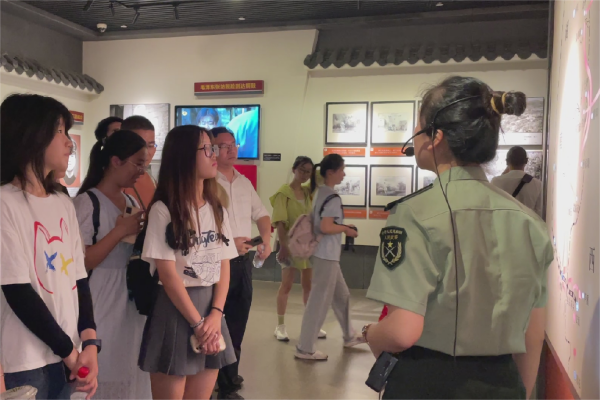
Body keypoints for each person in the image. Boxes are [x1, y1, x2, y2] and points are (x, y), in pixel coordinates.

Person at [364, 76, 552, 400]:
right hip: (503, 381)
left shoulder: (414, 214)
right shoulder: (531, 224)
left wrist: (371, 334)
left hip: (428, 383)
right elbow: (532, 335)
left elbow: (402, 331)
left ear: (435, 137)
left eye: (418, 128)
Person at [0, 94, 99, 399]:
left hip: (69, 355)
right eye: (59, 131)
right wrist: (70, 353)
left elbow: (79, 279)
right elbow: (17, 292)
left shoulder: (62, 202)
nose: (69, 143)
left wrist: (90, 343)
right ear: (31, 135)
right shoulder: (4, 203)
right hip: (26, 360)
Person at [138, 125, 237, 400]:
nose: (214, 154)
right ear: (184, 156)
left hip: (211, 309)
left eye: (213, 148)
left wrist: (215, 314)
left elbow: (224, 265)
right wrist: (198, 324)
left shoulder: (216, 208)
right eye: (207, 149)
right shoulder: (164, 210)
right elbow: (167, 274)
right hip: (176, 308)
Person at [74, 130, 151, 400]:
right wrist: (119, 232)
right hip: (99, 296)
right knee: (104, 367)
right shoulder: (86, 203)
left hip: (129, 298)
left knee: (129, 368)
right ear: (116, 161)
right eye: (138, 163)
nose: (142, 171)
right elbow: (82, 262)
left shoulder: (131, 201)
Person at [211, 127, 271, 400]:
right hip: (216, 263)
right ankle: (216, 380)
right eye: (223, 145)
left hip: (242, 263)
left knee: (237, 322)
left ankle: (229, 377)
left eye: (233, 144)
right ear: (212, 150)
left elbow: (262, 214)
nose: (231, 150)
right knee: (214, 322)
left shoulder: (244, 182)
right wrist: (228, 243)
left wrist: (266, 239)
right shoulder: (207, 183)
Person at [295, 154, 365, 361]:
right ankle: (305, 348)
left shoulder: (321, 192)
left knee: (342, 296)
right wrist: (346, 229)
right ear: (331, 172)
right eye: (342, 170)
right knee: (319, 302)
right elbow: (326, 227)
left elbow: (322, 224)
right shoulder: (332, 197)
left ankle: (349, 335)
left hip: (325, 254)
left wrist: (342, 226)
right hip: (326, 255)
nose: (344, 174)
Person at [271, 156, 326, 342]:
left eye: (308, 171)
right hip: (289, 245)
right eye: (302, 170)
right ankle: (280, 326)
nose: (305, 174)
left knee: (308, 285)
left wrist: (315, 168)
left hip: (307, 246)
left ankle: (312, 324)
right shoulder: (284, 193)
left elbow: (321, 175)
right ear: (294, 169)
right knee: (286, 285)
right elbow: (280, 222)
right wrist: (283, 246)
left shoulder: (308, 191)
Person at [491, 146, 543, 217]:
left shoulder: (496, 182)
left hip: (503, 223)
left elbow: (493, 209)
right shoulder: (537, 184)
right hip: (527, 223)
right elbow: (538, 213)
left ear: (507, 161)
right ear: (526, 161)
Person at [121, 115, 157, 209]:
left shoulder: (152, 180)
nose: (146, 152)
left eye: (151, 146)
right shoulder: (115, 183)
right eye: (140, 145)